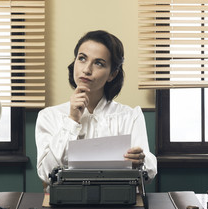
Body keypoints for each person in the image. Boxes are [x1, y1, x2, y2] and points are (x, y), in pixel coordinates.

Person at [35, 30, 157, 186]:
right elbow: (46, 174)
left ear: (112, 74)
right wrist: (72, 120)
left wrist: (139, 163)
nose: (86, 69)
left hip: (119, 205)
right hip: (66, 205)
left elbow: (150, 172)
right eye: (82, 59)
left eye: (99, 63)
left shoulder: (130, 116)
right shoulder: (49, 116)